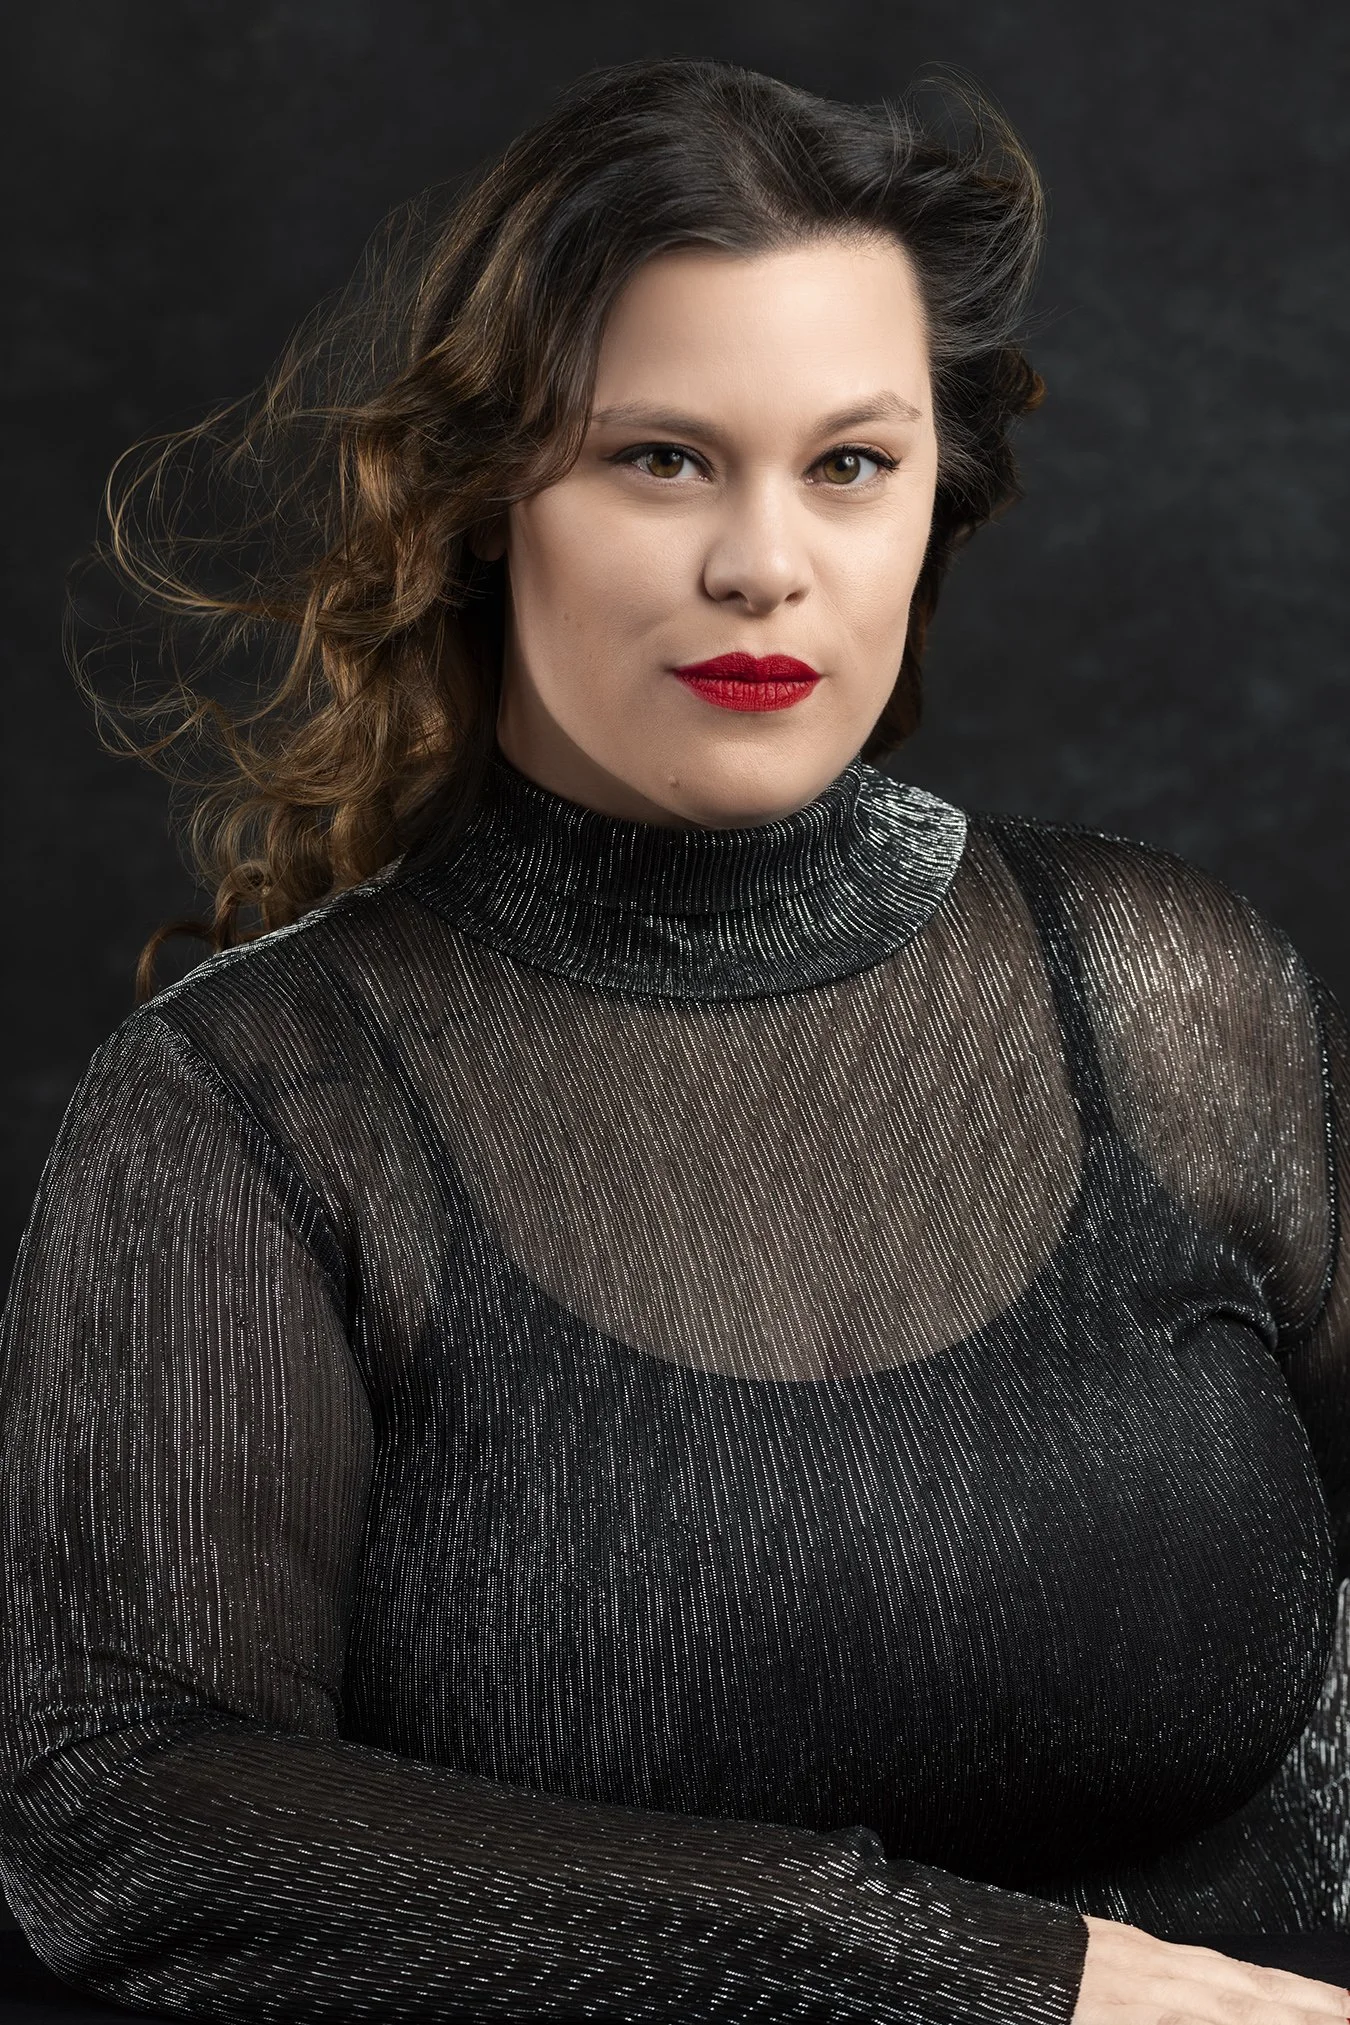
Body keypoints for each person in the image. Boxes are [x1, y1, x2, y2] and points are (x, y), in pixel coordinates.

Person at [0, 51, 1346, 2025]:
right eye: (661, 457)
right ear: (485, 508)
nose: (763, 566)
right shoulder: (246, 1111)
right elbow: (126, 1811)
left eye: (849, 464)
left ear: (930, 509)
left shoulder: (1168, 990)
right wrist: (985, 1979)